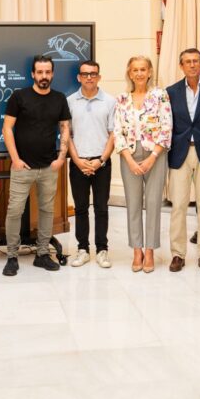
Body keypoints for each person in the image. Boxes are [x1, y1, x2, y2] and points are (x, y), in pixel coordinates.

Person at [1, 55, 72, 276]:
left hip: (49, 167)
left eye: (47, 72)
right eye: (39, 72)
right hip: (22, 167)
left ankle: (42, 254)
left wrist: (61, 158)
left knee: (46, 210)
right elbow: (7, 128)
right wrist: (15, 159)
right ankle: (12, 256)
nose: (44, 76)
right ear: (33, 74)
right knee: (14, 211)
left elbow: (65, 129)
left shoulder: (59, 98)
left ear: (52, 74)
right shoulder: (19, 96)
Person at [165, 49, 200, 274]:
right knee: (178, 206)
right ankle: (177, 254)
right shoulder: (171, 91)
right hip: (180, 153)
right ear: (181, 66)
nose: (192, 65)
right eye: (187, 62)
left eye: (195, 61)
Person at [114, 55, 172, 274]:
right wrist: (129, 159)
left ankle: (150, 251)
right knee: (133, 204)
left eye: (143, 69)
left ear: (149, 72)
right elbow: (117, 131)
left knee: (154, 203)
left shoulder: (160, 95)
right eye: (135, 70)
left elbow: (166, 127)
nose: (139, 73)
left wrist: (152, 157)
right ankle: (137, 250)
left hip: (155, 154)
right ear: (129, 73)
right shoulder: (122, 99)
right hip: (129, 154)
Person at [66, 60, 115, 268]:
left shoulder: (110, 101)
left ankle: (102, 250)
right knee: (80, 209)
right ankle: (83, 250)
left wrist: (101, 160)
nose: (89, 77)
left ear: (99, 77)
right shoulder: (69, 101)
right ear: (79, 77)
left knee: (102, 208)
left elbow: (113, 134)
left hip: (101, 162)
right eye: (85, 74)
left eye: (93, 74)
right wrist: (77, 161)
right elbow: (67, 135)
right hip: (78, 163)